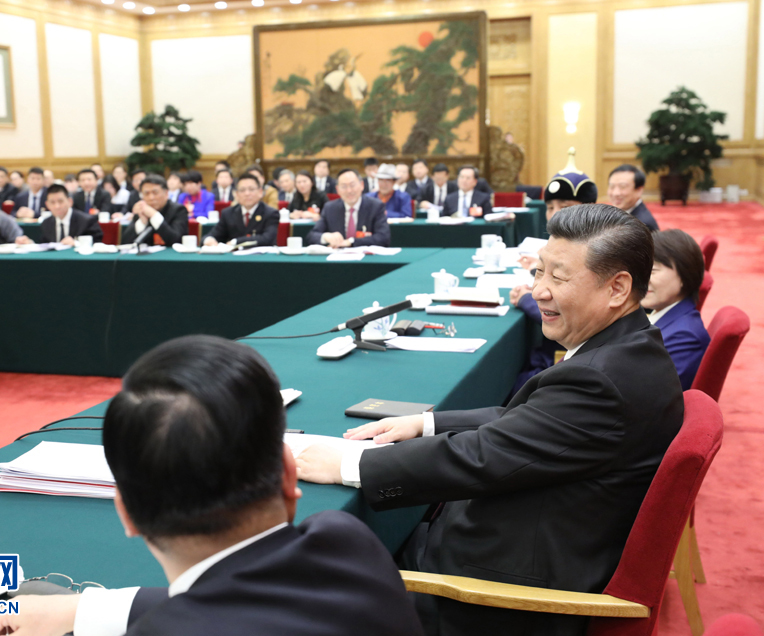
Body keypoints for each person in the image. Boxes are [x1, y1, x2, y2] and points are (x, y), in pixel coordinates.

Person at [296, 204, 684, 636]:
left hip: (499, 593)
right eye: (539, 272)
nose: (539, 291)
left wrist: (349, 464)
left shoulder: (602, 381)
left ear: (617, 288)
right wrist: (425, 424)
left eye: (558, 278)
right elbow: (531, 422)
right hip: (532, 536)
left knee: (315, 576)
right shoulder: (628, 348)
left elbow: (479, 456)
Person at [0, 336, 425, 636]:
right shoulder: (345, 540)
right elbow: (239, 597)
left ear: (126, 513)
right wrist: (83, 609)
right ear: (289, 476)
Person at [509, 169, 599, 393]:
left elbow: (575, 313)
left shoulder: (594, 252)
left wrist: (527, 300)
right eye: (550, 208)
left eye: (564, 207)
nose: (555, 214)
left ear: (588, 208)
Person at [642, 229, 710, 390]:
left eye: (653, 271)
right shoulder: (663, 315)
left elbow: (652, 396)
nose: (642, 279)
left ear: (684, 276)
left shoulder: (684, 337)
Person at [307, 169, 390, 248]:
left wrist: (351, 242)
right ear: (337, 190)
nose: (349, 190)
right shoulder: (330, 208)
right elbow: (311, 236)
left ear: (362, 185)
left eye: (352, 185)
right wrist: (325, 236)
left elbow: (383, 238)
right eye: (344, 186)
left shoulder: (375, 206)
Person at [203, 172, 279, 247]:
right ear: (236, 194)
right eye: (242, 190)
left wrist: (236, 241)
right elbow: (213, 235)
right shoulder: (228, 213)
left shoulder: (271, 213)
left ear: (260, 192)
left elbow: (267, 238)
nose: (247, 193)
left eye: (251, 189)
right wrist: (208, 240)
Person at [22, 184, 104, 245]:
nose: (57, 206)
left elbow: (98, 242)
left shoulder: (86, 221)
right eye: (52, 202)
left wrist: (76, 243)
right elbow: (44, 245)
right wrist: (30, 243)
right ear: (47, 205)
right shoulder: (46, 224)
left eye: (60, 201)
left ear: (70, 202)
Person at [121, 174, 188, 246]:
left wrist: (154, 215)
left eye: (155, 193)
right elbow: (124, 243)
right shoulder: (141, 211)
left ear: (166, 194)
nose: (151, 197)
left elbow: (177, 240)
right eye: (146, 193)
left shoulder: (178, 210)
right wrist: (142, 222)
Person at [608, 164, 659, 231]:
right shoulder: (615, 213)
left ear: (639, 190)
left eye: (622, 187)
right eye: (612, 187)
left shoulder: (642, 224)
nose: (615, 193)